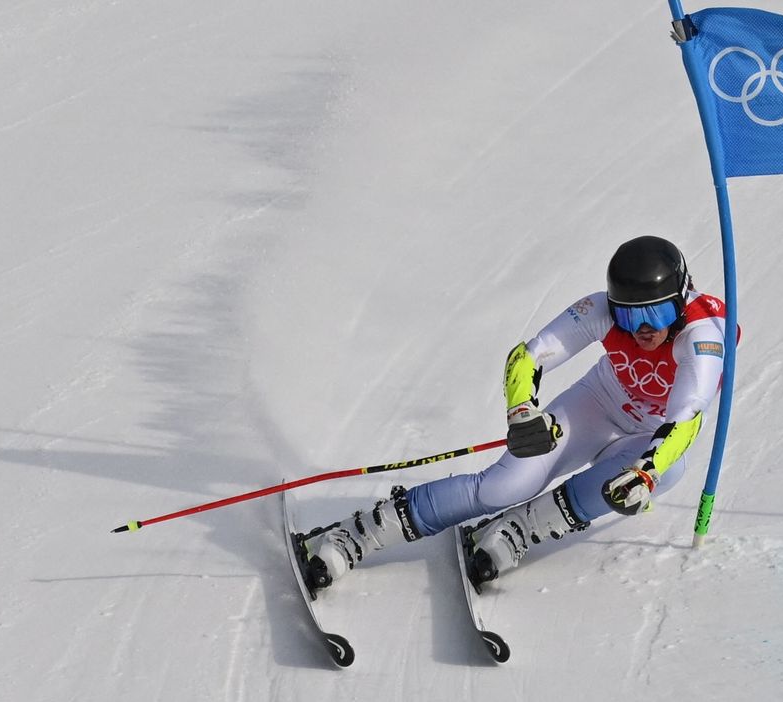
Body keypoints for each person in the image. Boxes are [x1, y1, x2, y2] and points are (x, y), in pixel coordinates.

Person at [301, 235, 731, 590]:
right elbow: (530, 356)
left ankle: (520, 530)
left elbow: (686, 414)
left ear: (681, 299)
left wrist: (647, 470)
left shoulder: (702, 338)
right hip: (598, 405)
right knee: (503, 487)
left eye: (657, 312)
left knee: (669, 472)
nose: (643, 329)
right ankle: (354, 534)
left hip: (653, 433)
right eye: (628, 314)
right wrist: (522, 411)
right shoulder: (600, 311)